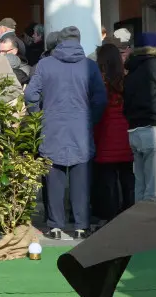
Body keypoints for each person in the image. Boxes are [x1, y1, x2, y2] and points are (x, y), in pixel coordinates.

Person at [24, 26, 107, 240]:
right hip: (81, 127)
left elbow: (31, 95)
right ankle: (81, 225)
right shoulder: (89, 66)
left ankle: (55, 226)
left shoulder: (45, 65)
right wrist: (90, 119)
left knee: (54, 178)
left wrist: (39, 116)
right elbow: (100, 98)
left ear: (59, 41)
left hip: (51, 126)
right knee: (81, 178)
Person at [123, 32, 156, 201]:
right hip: (154, 129)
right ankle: (150, 227)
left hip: (134, 131)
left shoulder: (131, 70)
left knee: (141, 185)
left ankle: (138, 225)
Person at [92, 43, 134, 223]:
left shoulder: (99, 82)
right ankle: (130, 213)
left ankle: (110, 217)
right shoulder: (127, 80)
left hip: (105, 135)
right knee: (128, 179)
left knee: (107, 180)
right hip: (127, 136)